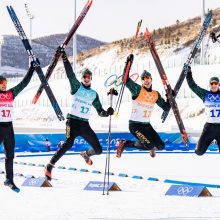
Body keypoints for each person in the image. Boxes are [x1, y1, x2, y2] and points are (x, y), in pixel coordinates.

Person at [45, 49, 114, 181]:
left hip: (84, 124)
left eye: (89, 77)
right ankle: (50, 165)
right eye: (85, 77)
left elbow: (100, 111)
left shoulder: (94, 94)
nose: (87, 79)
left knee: (99, 150)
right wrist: (64, 58)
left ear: (91, 78)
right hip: (72, 121)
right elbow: (70, 74)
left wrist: (107, 112)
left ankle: (85, 154)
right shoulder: (77, 86)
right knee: (68, 143)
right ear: (82, 78)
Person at [116, 70, 170, 158]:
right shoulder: (137, 89)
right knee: (150, 145)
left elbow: (166, 107)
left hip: (147, 126)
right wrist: (128, 66)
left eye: (148, 78)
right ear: (141, 81)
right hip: (135, 125)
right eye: (143, 78)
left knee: (161, 146)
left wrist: (169, 97)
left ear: (151, 80)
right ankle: (125, 143)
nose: (146, 80)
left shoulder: (155, 94)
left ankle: (150, 146)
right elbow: (126, 79)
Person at [0, 63, 35, 192]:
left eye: (5, 82)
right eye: (1, 83)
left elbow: (23, 84)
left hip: (9, 127)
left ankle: (9, 180)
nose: (4, 84)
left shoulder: (10, 94)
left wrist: (31, 69)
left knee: (10, 155)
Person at [185, 65, 220, 155]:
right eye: (212, 84)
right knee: (199, 152)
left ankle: (214, 141)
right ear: (209, 85)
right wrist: (188, 73)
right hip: (209, 127)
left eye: (215, 83)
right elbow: (193, 86)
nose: (213, 85)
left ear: (218, 84)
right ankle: (210, 141)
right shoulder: (205, 94)